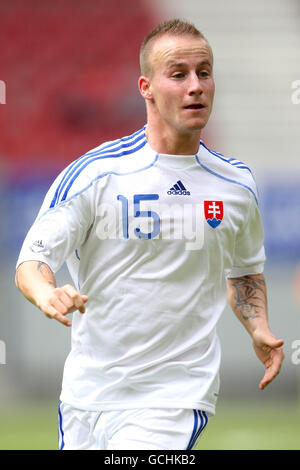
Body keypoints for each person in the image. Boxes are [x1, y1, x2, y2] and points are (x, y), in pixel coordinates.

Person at [15, 19, 284, 450]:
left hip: (175, 397)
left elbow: (245, 270)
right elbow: (32, 260)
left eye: (205, 72)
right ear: (146, 87)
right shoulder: (95, 174)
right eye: (178, 74)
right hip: (88, 395)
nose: (195, 86)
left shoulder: (237, 186)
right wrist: (46, 293)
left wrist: (258, 326)